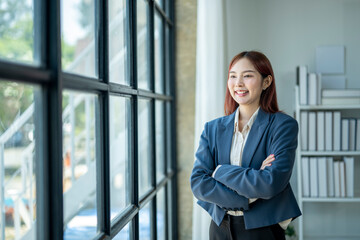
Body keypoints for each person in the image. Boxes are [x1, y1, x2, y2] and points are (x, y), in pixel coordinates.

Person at [190, 51, 301, 240]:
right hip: (220, 228)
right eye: (233, 76)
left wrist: (220, 172)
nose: (238, 83)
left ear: (266, 82)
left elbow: (270, 183)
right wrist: (249, 190)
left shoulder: (283, 125)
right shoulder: (213, 129)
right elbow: (198, 183)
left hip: (262, 228)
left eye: (247, 75)